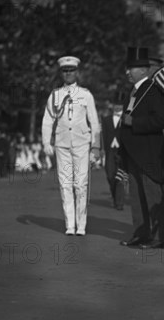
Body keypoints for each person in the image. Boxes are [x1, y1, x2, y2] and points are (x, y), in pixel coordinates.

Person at [41, 56, 101, 236]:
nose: (68, 74)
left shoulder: (85, 95)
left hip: (82, 144)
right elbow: (47, 120)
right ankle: (70, 224)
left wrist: (95, 146)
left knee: (81, 184)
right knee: (65, 184)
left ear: (77, 72)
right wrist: (46, 141)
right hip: (62, 144)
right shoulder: (55, 95)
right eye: (65, 71)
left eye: (71, 70)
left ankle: (81, 224)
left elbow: (94, 121)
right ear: (61, 73)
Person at [118, 47, 164, 249]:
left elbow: (161, 120)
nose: (127, 72)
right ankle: (141, 233)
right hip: (132, 153)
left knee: (152, 195)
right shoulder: (133, 91)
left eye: (131, 68)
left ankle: (159, 237)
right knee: (137, 199)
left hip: (148, 153)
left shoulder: (153, 90)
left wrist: (134, 122)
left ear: (143, 70)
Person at [101, 96, 125, 210]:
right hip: (109, 151)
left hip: (122, 151)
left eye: (120, 104)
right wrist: (102, 150)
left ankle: (119, 203)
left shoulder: (126, 119)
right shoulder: (106, 120)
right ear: (113, 106)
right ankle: (115, 197)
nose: (118, 107)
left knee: (120, 177)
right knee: (110, 176)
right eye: (116, 104)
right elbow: (103, 136)